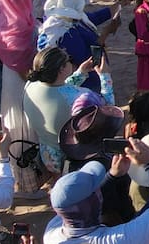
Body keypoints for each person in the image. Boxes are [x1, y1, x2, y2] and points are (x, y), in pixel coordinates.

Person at [0, 0, 41, 196]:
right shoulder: (20, 27)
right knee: (25, 130)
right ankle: (27, 186)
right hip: (23, 82)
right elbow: (23, 66)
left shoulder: (0, 17)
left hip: (8, 77)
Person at [24, 46, 113, 174]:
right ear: (61, 69)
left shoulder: (29, 86)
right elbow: (108, 108)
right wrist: (105, 76)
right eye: (68, 60)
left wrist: (80, 74)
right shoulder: (80, 96)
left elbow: (59, 89)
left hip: (47, 155)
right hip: (72, 159)